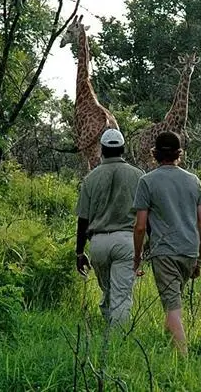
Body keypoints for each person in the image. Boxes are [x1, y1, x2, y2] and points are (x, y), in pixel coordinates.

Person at [132, 131, 201, 355]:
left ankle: (183, 360)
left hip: (164, 253)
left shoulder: (147, 181)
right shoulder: (193, 180)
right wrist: (199, 259)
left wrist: (137, 258)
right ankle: (169, 348)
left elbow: (140, 226)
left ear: (154, 154)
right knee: (172, 304)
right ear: (179, 154)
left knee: (172, 308)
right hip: (189, 251)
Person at [75, 128, 145, 325]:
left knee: (109, 291)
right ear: (123, 149)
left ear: (102, 150)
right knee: (121, 296)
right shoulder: (138, 175)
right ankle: (117, 344)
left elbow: (83, 219)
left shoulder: (90, 178)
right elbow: (146, 216)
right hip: (126, 241)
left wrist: (79, 252)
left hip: (98, 243)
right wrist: (146, 246)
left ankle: (107, 334)